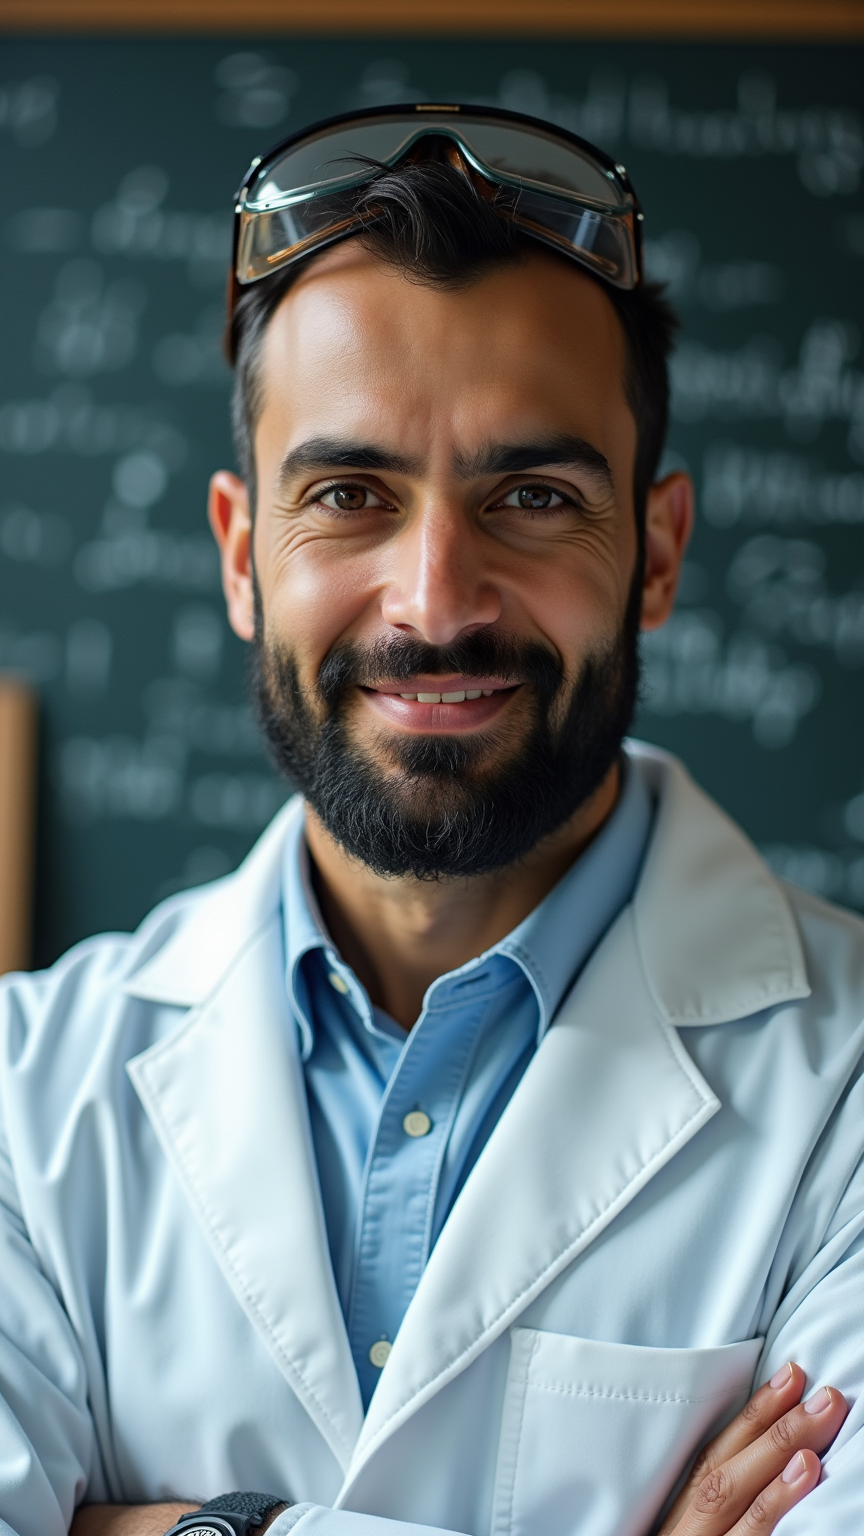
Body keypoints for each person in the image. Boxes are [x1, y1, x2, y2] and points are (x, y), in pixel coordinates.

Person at [0, 106, 861, 1536]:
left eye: (532, 495)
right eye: (348, 494)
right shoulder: (27, 1098)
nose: (436, 600)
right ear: (240, 555)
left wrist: (169, 1530)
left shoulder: (842, 1095)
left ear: (655, 554)